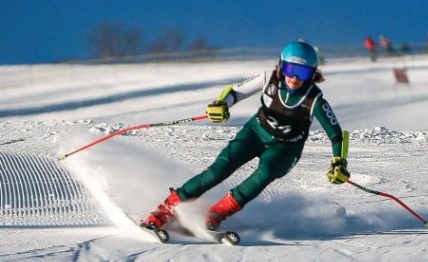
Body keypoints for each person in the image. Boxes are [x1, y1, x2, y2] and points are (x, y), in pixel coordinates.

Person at [143, 40, 350, 231]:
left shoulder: (314, 100)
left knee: (266, 171)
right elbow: (234, 91)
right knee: (217, 171)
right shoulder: (268, 78)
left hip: (286, 148)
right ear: (281, 66)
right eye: (291, 69)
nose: (295, 78)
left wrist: (339, 162)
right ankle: (165, 209)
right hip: (255, 132)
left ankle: (217, 214)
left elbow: (336, 135)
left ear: (312, 74)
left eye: (303, 73)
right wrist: (222, 104)